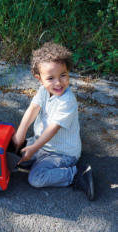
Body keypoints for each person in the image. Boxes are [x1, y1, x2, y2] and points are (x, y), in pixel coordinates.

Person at [12, 42, 94, 201]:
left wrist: (34, 147)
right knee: (16, 155)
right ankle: (33, 157)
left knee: (36, 178)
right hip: (42, 145)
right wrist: (20, 135)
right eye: (51, 78)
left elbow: (53, 128)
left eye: (63, 75)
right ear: (40, 79)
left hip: (62, 153)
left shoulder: (67, 100)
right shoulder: (44, 90)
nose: (58, 82)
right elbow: (33, 109)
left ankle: (77, 174)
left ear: (68, 72)